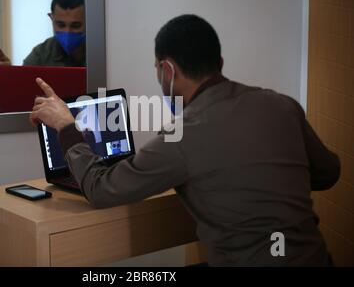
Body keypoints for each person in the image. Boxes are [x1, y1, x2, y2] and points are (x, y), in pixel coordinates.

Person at [29, 14, 340, 266]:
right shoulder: (281, 104)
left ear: (167, 70)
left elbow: (100, 189)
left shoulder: (184, 135)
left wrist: (67, 127)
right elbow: (328, 173)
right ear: (219, 63)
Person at [0, 0, 86, 77]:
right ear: (51, 19)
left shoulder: (101, 54)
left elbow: (102, 92)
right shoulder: (41, 54)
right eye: (60, 25)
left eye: (76, 25)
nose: (67, 32)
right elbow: (22, 89)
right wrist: (8, 73)